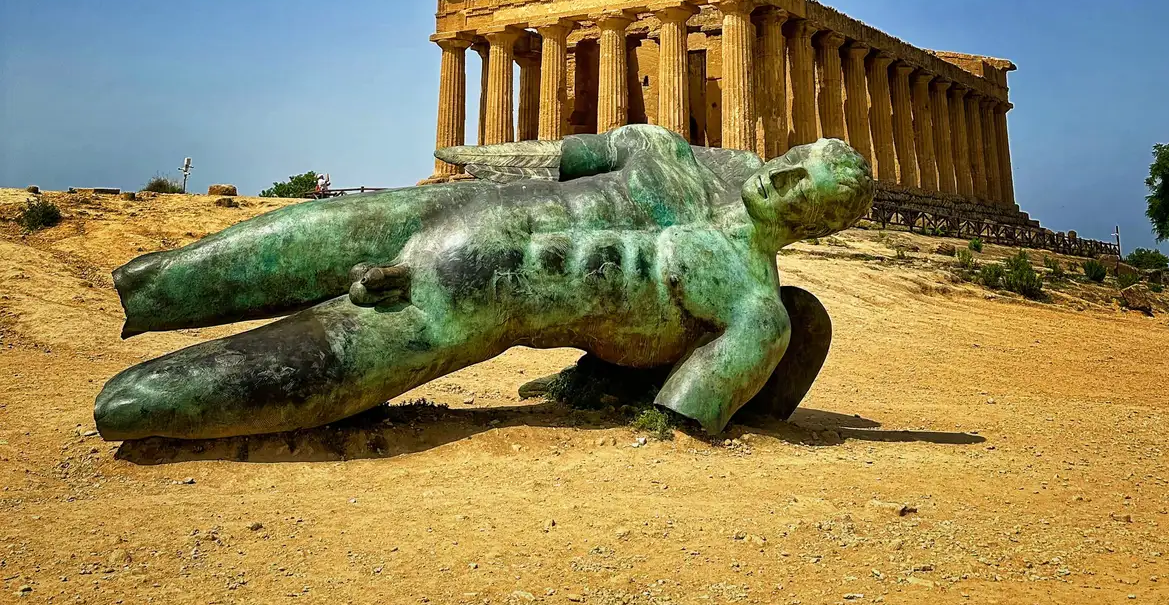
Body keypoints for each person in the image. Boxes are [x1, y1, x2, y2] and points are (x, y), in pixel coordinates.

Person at [94, 127, 872, 443]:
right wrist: (470, 155)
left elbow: (680, 411)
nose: (785, 178)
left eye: (811, 191)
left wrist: (620, 390)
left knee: (136, 404)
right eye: (795, 159)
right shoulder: (668, 152)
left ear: (822, 225)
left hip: (469, 299)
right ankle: (146, 297)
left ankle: (138, 407)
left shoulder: (755, 307)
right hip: (452, 210)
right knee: (160, 280)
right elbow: (547, 158)